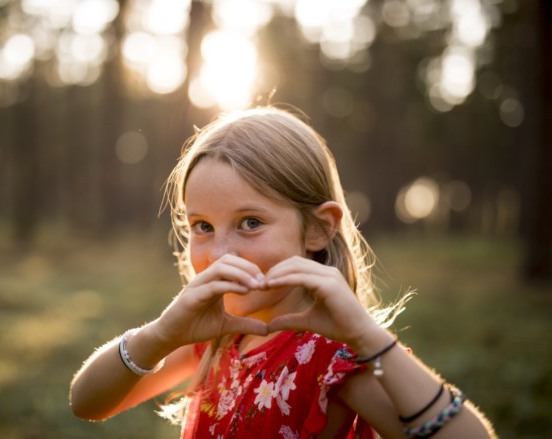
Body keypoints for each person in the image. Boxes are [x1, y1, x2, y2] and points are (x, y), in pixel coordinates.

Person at [69, 106, 495, 438]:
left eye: (250, 223)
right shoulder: (215, 337)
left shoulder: (334, 357)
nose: (219, 254)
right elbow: (87, 403)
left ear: (317, 229)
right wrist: (160, 334)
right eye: (202, 226)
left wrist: (369, 340)